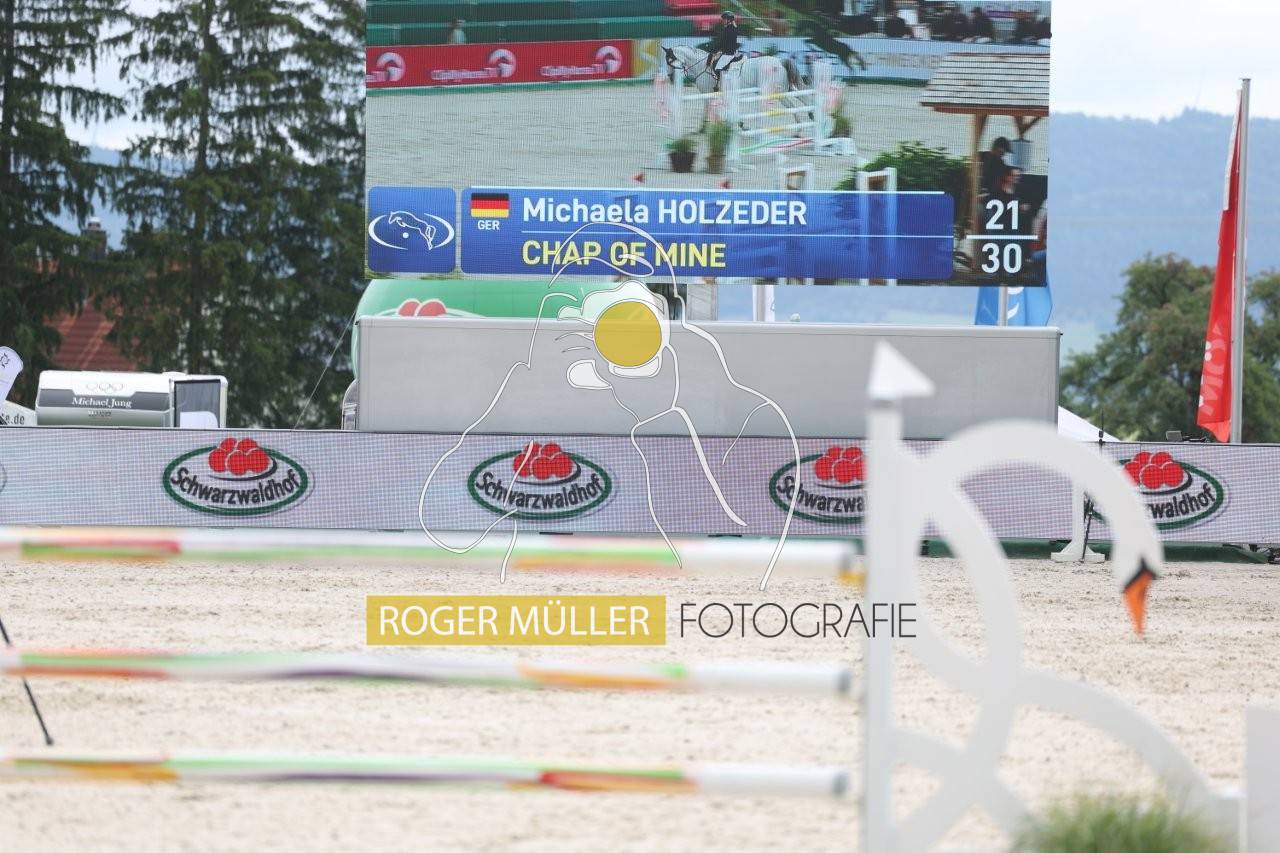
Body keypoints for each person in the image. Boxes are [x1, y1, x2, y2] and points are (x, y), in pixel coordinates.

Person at [707, 11, 741, 87]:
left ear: (729, 20)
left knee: (717, 68)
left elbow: (722, 43)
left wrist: (714, 51)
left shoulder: (728, 29)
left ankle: (722, 85)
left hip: (728, 53)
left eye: (724, 19)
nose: (723, 21)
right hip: (733, 52)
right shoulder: (733, 28)